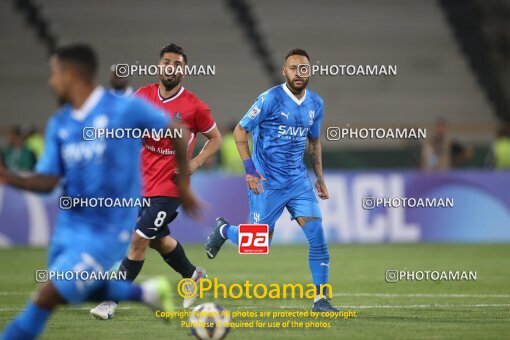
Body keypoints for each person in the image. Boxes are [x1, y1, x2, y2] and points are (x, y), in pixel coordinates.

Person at [1, 44, 200, 340]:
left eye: (54, 74)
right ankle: (147, 292)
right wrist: (6, 176)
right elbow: (46, 182)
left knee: (47, 297)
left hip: (108, 226)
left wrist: (183, 183)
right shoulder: (60, 124)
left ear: (71, 75)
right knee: (74, 287)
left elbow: (176, 130)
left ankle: (112, 303)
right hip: (69, 229)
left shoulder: (123, 108)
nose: (50, 82)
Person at [91, 43, 222, 319]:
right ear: (159, 65)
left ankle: (110, 302)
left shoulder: (194, 106)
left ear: (184, 71)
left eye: (176, 64)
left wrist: (195, 163)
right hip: (142, 183)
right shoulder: (143, 96)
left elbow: (216, 139)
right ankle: (193, 275)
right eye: (166, 62)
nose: (170, 67)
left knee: (138, 239)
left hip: (172, 187)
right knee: (158, 241)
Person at [204, 48, 338, 312]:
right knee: (259, 244)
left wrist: (319, 177)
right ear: (284, 71)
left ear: (310, 71)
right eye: (293, 68)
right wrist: (250, 170)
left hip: (298, 182)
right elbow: (241, 131)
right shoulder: (269, 99)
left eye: (304, 68)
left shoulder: (316, 104)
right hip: (267, 182)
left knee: (317, 237)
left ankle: (321, 300)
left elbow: (313, 141)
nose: (298, 73)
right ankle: (222, 230)